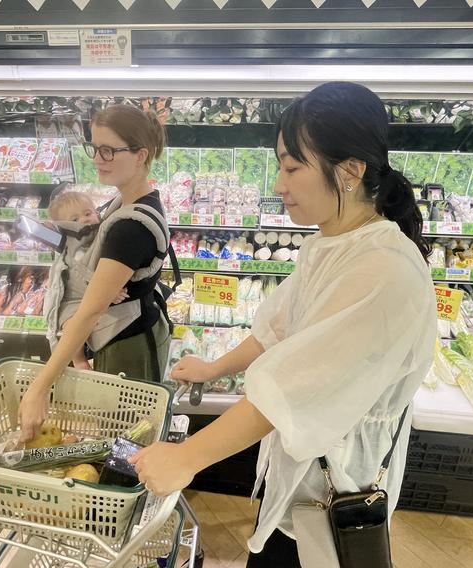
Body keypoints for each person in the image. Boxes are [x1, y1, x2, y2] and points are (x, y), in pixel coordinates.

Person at [129, 82, 437, 566]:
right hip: (304, 470)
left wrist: (187, 458)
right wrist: (212, 370)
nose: (279, 184)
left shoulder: (385, 268)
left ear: (350, 171)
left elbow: (294, 388)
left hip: (338, 486)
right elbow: (277, 329)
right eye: (280, 165)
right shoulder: (331, 242)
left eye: (293, 167)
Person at [20, 105, 172, 443]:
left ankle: (128, 491)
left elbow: (88, 312)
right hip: (131, 331)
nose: (97, 158)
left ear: (140, 155)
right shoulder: (128, 203)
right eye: (94, 148)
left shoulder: (131, 228)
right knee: (126, 429)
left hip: (127, 343)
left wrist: (39, 387)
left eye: (108, 150)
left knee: (126, 437)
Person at [42, 189, 129, 371]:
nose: (84, 220)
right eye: (74, 220)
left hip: (93, 292)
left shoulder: (103, 230)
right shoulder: (73, 242)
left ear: (97, 213)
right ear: (63, 225)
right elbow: (82, 271)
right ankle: (78, 359)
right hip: (73, 298)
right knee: (72, 326)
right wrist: (108, 291)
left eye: (88, 213)